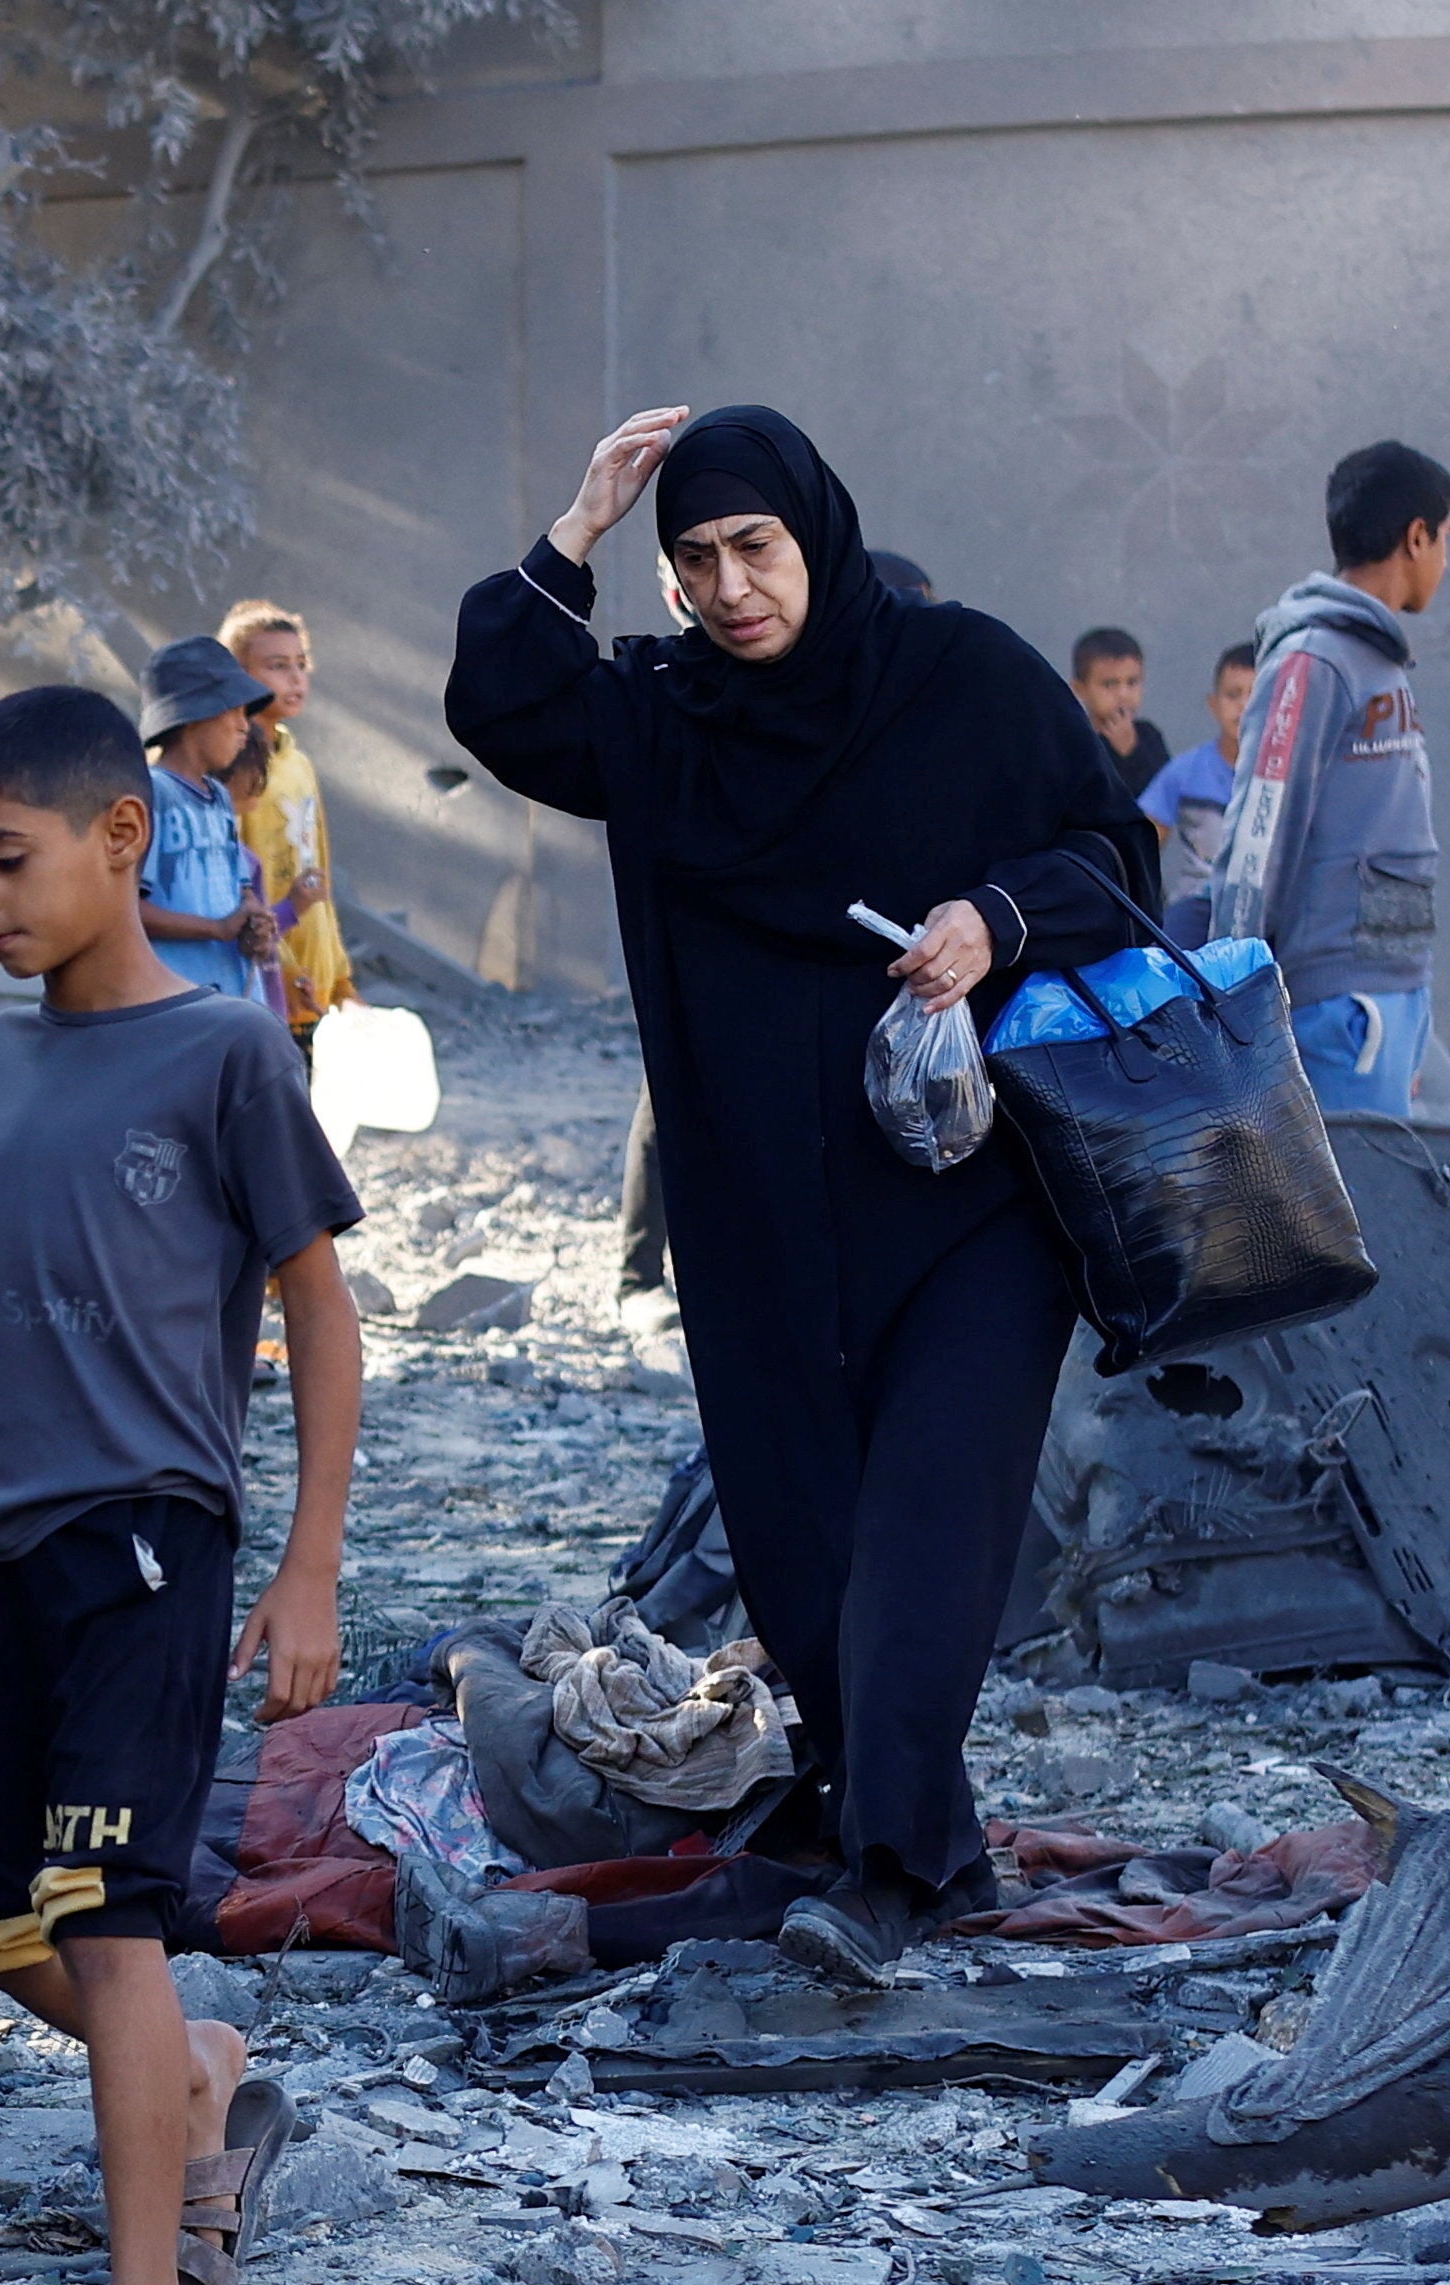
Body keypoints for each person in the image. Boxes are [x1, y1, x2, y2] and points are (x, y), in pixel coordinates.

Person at [449, 404, 1153, 1981]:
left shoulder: (960, 676)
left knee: (924, 1526)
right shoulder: (666, 719)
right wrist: (575, 524)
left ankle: (891, 1865)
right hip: (764, 1213)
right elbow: (497, 700)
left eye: (752, 546)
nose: (727, 585)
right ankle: (910, 1835)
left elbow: (1116, 864)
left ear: (813, 532)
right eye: (690, 559)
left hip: (972, 1202)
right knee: (805, 1542)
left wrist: (993, 917)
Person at [0, 683, 365, 2285]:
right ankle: (198, 2071)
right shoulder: (0, 1067)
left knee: (109, 1924)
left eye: (6, 855)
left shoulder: (223, 1053)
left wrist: (308, 1565)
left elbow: (320, 1316)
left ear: (118, 839)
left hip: (147, 1535)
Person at [1216, 440, 1450, 1119]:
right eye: (1446, 538)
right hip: (1338, 1010)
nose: (1446, 560)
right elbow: (1259, 833)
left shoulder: (1378, 660)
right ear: (1416, 537)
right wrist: (1228, 1007)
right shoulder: (1312, 659)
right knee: (1345, 1221)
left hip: (1391, 996)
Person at [219, 601, 354, 1033]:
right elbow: (237, 886)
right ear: (237, 675)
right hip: (266, 982)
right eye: (277, 666)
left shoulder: (299, 764)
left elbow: (319, 877)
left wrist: (340, 977)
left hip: (315, 983)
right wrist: (285, 968)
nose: (296, 678)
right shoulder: (231, 769)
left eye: (301, 664)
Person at [132, 637, 279, 1008]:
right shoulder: (152, 794)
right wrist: (215, 929)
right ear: (195, 714)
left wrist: (254, 922)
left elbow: (239, 890)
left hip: (233, 996)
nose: (246, 727)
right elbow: (126, 910)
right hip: (178, 1002)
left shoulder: (219, 797)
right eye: (236, 712)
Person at [1143, 639, 1263, 913]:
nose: (1244, 706)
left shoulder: (1287, 776)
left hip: (1265, 906)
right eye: (1233, 694)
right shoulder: (1185, 772)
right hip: (1197, 903)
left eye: (1255, 695)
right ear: (1213, 704)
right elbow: (1139, 846)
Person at [1068, 628, 1172, 803]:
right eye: (1109, 684)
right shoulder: (1072, 741)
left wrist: (1131, 752)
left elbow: (1163, 798)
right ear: (1080, 689)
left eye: (1132, 682)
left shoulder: (1148, 737)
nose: (1123, 694)